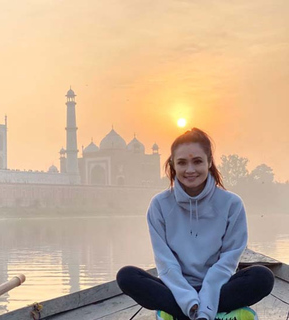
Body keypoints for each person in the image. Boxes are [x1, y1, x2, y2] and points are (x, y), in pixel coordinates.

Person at [116, 128, 274, 320]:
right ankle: (213, 314)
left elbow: (226, 263)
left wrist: (206, 300)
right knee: (127, 276)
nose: (190, 170)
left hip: (219, 286)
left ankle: (180, 314)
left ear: (209, 163)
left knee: (263, 277)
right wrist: (189, 300)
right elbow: (166, 264)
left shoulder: (231, 204)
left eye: (197, 161)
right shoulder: (160, 205)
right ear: (173, 165)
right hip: (175, 287)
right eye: (182, 163)